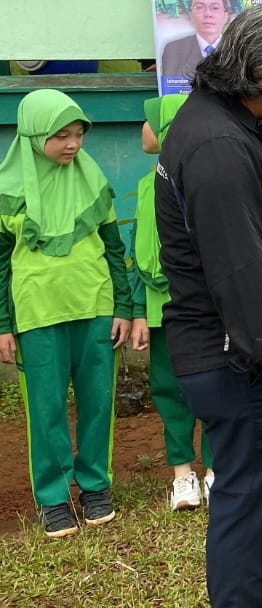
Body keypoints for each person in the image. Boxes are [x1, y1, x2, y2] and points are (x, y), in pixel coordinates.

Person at [153, 5, 262, 608]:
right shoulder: (219, 146)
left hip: (245, 354)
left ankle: (260, 589)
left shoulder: (225, 124)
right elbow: (240, 277)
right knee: (249, 493)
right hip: (241, 361)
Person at [0, 89, 131, 538]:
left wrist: (123, 307)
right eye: (61, 135)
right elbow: (0, 263)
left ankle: (95, 486)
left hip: (94, 307)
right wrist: (2, 325)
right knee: (46, 408)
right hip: (35, 314)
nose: (72, 144)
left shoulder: (92, 181)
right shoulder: (6, 191)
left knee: (97, 403)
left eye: (78, 134)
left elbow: (115, 250)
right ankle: (53, 498)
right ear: (34, 135)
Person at [129, 94, 216, 511]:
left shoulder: (205, 178)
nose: (142, 131)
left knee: (219, 382)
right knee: (168, 387)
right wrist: (140, 313)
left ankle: (218, 468)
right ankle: (184, 474)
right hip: (161, 306)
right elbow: (139, 251)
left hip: (205, 302)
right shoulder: (147, 185)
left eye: (149, 122)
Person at [160, 0, 231, 90]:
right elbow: (171, 90)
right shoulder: (174, 49)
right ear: (190, 15)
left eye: (215, 8)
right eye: (199, 7)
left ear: (226, 15)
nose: (208, 14)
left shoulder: (237, 50)